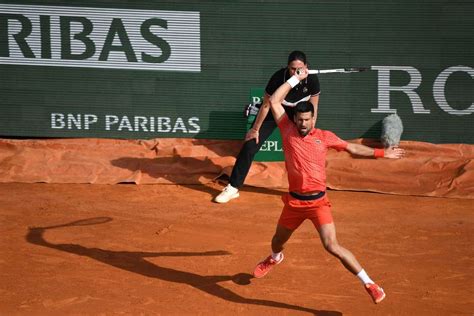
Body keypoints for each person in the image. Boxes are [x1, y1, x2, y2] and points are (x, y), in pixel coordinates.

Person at [252, 68, 405, 304]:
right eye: (299, 120)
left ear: (313, 119)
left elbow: (352, 148)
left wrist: (382, 152)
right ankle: (275, 257)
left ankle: (370, 283)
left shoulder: (324, 137)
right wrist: (296, 79)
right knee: (277, 241)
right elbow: (274, 99)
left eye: (306, 120)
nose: (302, 124)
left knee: (332, 245)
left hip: (317, 203)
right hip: (293, 203)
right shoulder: (287, 129)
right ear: (294, 119)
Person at [215, 51, 320, 203]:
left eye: (299, 68)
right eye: (292, 68)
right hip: (273, 110)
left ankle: (308, 188)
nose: (295, 72)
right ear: (287, 67)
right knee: (250, 145)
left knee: (305, 147)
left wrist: (311, 129)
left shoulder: (312, 79)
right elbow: (266, 105)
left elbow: (314, 106)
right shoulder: (278, 78)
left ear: (306, 67)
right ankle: (233, 187)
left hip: (297, 113)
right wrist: (255, 129)